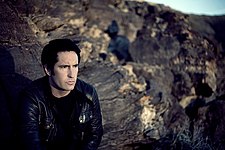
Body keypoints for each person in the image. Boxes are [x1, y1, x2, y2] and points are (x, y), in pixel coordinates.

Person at [17, 39, 103, 150]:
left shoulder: (88, 93)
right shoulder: (31, 98)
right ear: (48, 70)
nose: (72, 74)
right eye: (64, 67)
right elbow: (31, 143)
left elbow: (94, 134)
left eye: (75, 66)